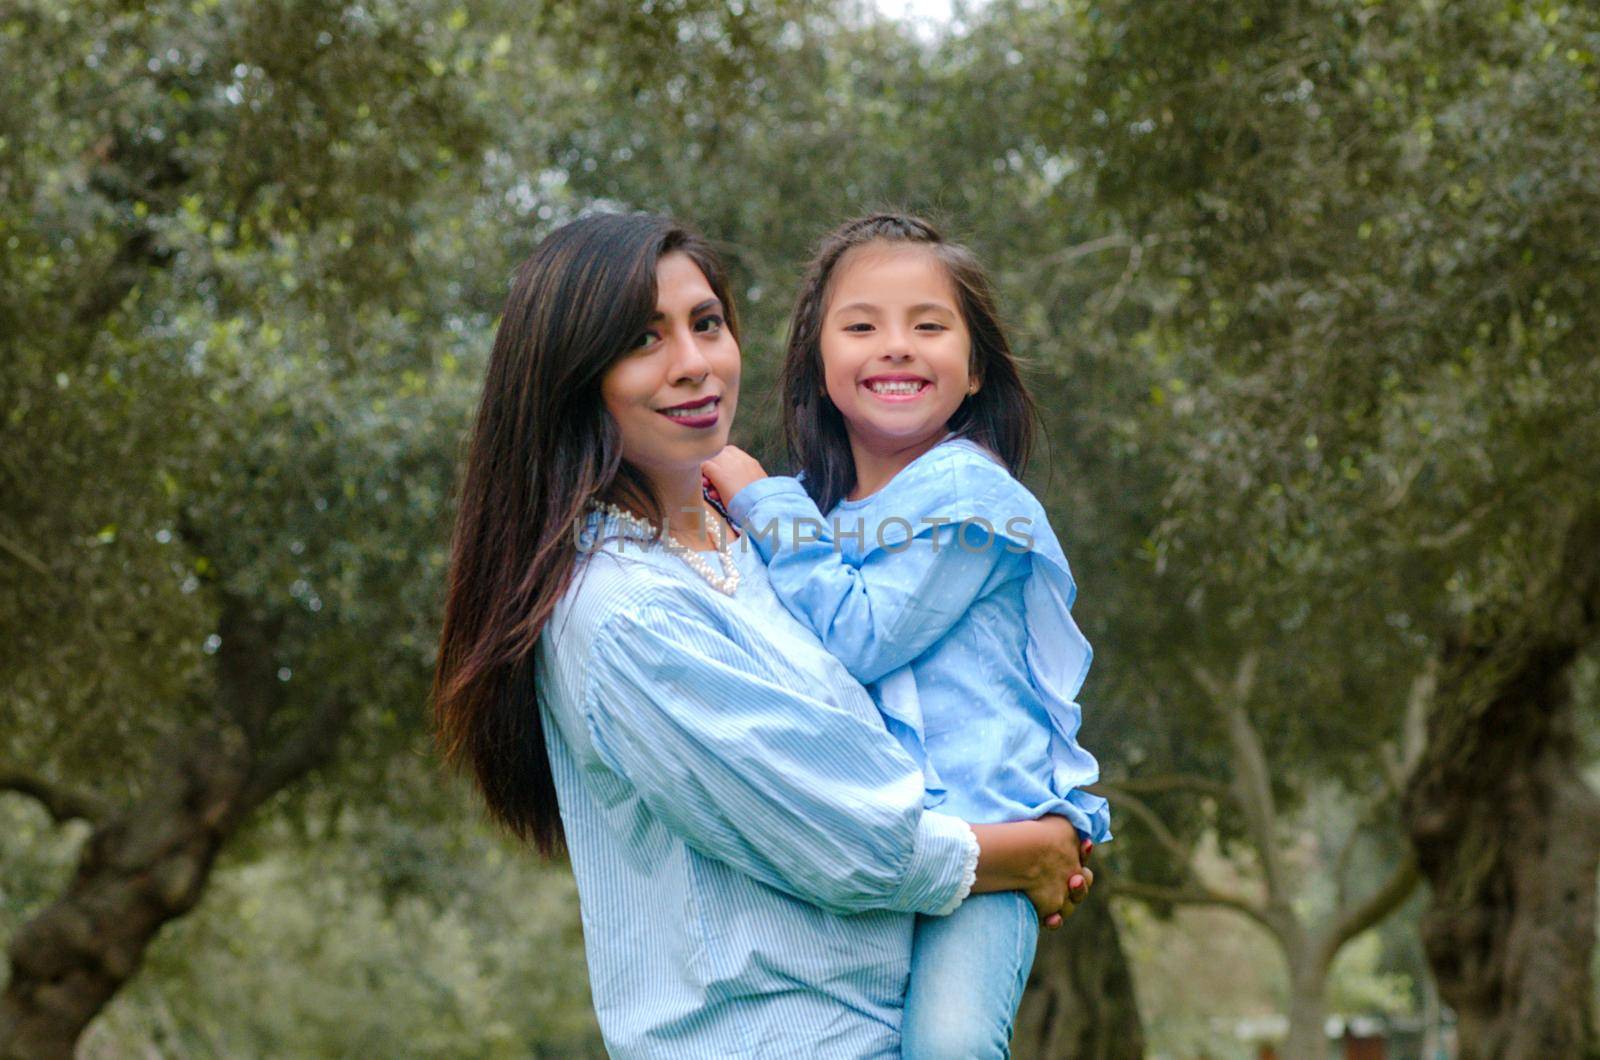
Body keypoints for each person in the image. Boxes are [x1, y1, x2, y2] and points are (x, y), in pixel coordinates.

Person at [431, 212, 1093, 1058]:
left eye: (706, 324)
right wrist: (1026, 854)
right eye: (643, 339)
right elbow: (846, 838)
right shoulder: (629, 613)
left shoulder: (757, 541)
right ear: (573, 379)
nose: (694, 364)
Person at [702, 212, 1112, 1059]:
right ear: (820, 365)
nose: (896, 345)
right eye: (861, 326)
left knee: (951, 1046)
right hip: (883, 844)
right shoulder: (820, 518)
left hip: (987, 847)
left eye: (929, 326)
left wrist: (756, 494)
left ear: (973, 373)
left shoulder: (970, 497)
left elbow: (862, 636)